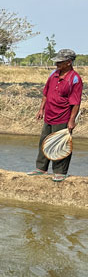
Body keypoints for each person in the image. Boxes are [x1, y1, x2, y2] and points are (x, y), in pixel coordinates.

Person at [27, 49, 83, 182]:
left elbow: (75, 103)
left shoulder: (75, 79)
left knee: (60, 144)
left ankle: (60, 171)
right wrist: (41, 109)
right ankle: (41, 168)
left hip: (63, 117)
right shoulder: (53, 74)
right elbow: (45, 93)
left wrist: (71, 121)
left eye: (60, 62)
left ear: (69, 62)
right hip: (49, 115)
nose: (57, 64)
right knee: (44, 141)